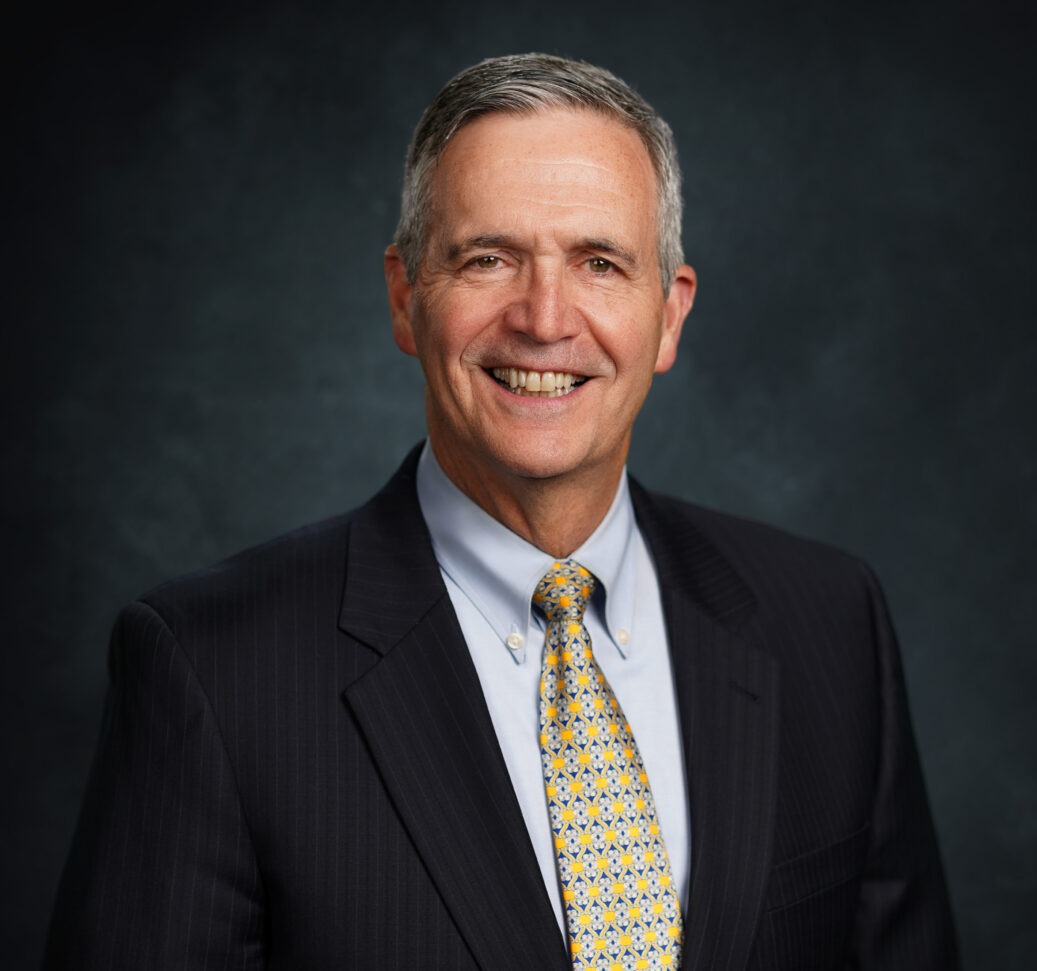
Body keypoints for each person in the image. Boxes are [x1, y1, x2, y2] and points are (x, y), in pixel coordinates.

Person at [43, 53, 958, 969]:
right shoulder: (212, 669)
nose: (545, 318)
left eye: (600, 262)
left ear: (669, 316)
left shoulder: (832, 623)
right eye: (489, 258)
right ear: (407, 298)